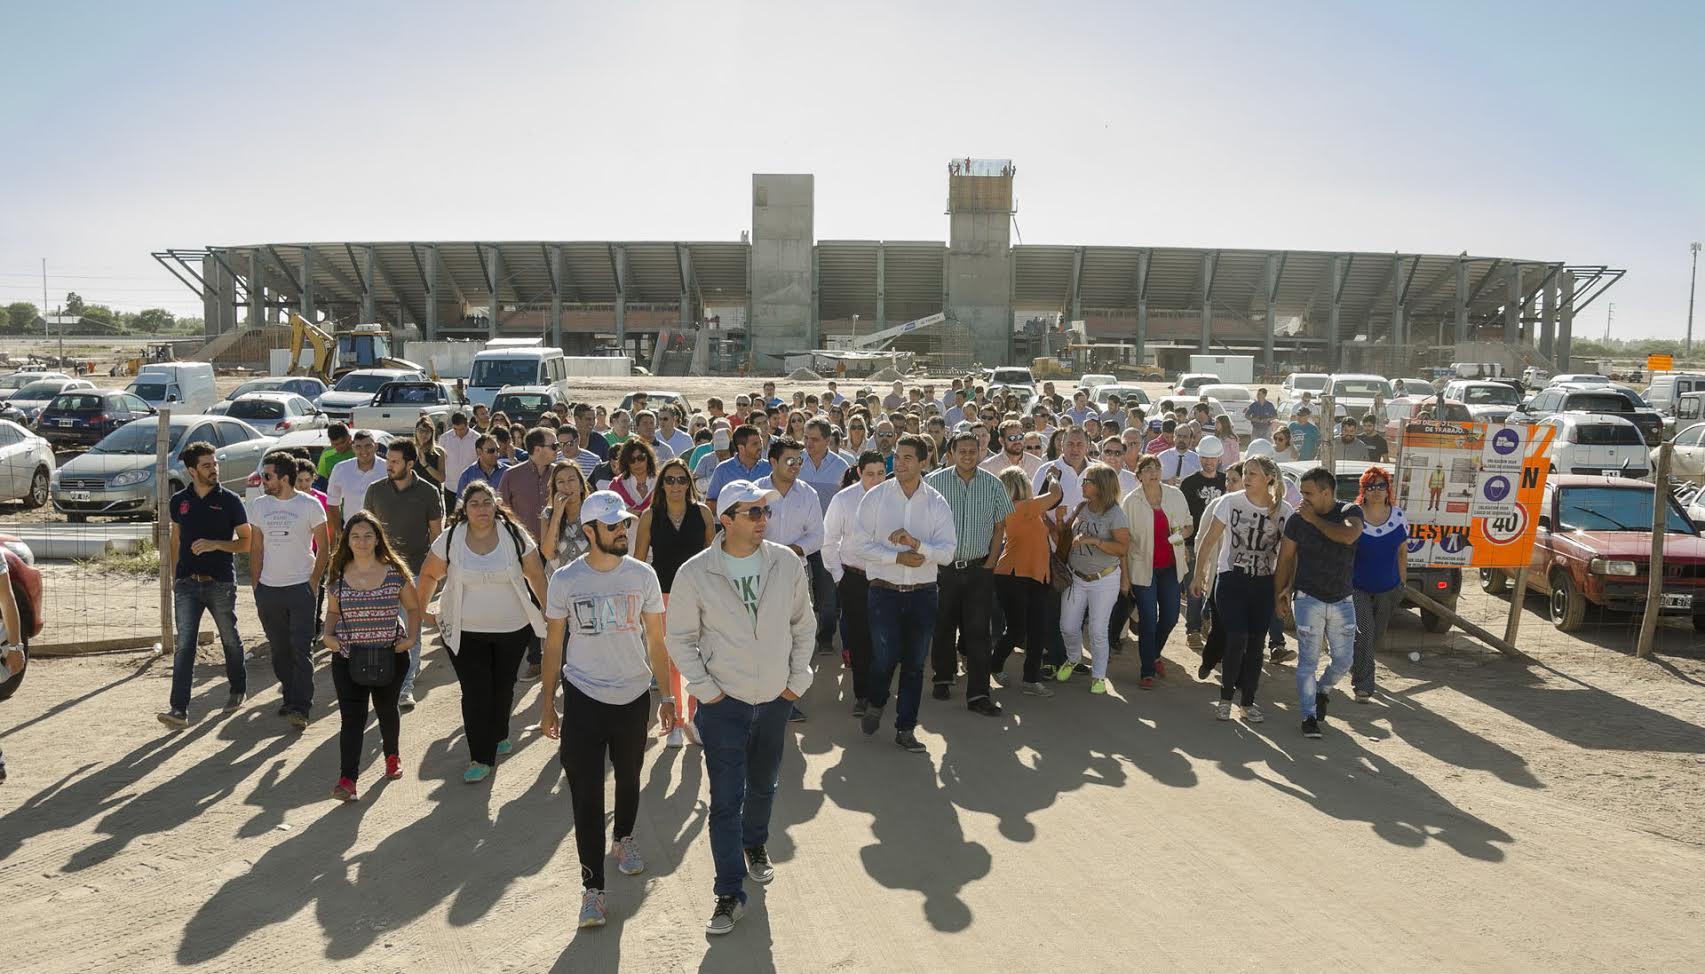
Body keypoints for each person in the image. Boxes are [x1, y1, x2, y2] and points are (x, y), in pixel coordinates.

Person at [664, 479, 814, 935]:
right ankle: (729, 893)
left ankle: (756, 845)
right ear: (726, 519)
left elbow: (803, 624)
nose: (762, 520)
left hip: (773, 702)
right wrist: (706, 690)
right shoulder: (694, 573)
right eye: (752, 513)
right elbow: (679, 639)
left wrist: (795, 682)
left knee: (764, 786)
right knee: (725, 802)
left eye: (764, 512)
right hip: (722, 706)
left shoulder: (786, 563)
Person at [539, 490, 676, 929]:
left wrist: (667, 695)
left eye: (625, 525)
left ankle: (624, 838)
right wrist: (547, 703)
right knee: (585, 793)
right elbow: (554, 644)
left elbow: (656, 640)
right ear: (590, 530)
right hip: (582, 694)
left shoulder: (643, 576)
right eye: (614, 525)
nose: (623, 531)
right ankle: (592, 889)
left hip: (633, 695)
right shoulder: (565, 580)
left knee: (631, 774)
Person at [415, 482, 549, 783]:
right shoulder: (451, 539)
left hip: (512, 629)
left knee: (502, 688)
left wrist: (546, 610)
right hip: (464, 631)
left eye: (487, 502)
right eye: (474, 503)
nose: (481, 509)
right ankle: (480, 756)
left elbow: (536, 574)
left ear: (495, 504)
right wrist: (422, 611)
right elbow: (428, 574)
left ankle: (500, 733)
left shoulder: (514, 535)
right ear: (464, 508)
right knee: (476, 692)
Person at [851, 434, 955, 752]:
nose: (900, 462)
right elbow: (858, 545)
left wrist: (916, 545)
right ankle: (877, 701)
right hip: (884, 593)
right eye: (897, 456)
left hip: (923, 594)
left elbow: (948, 552)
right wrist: (896, 556)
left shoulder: (936, 502)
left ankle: (905, 728)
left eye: (908, 457)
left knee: (914, 664)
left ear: (924, 463)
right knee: (884, 658)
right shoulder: (876, 497)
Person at [322, 512, 419, 801]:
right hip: (348, 656)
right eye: (355, 536)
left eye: (367, 535)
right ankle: (347, 779)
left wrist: (411, 640)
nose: (362, 541)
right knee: (352, 718)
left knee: (387, 708)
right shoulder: (338, 573)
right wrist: (329, 636)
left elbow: (414, 608)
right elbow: (333, 611)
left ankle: (392, 756)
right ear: (346, 541)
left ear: (378, 539)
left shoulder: (395, 572)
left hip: (390, 655)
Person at [158, 441, 252, 728]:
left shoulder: (231, 501)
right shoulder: (179, 501)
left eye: (215, 464)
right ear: (191, 470)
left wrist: (216, 545)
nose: (214, 469)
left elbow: (247, 542)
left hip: (220, 583)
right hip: (187, 584)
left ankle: (237, 689)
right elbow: (175, 540)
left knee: (229, 639)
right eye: (207, 465)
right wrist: (176, 578)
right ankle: (179, 709)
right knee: (185, 645)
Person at [1190, 455, 1290, 723]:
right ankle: (1225, 700)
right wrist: (1198, 575)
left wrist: (1285, 590)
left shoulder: (1284, 510)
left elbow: (1288, 555)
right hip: (1231, 580)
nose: (1246, 478)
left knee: (1257, 645)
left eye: (1253, 473)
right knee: (1236, 639)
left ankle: (1247, 702)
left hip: (1264, 583)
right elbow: (1209, 540)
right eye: (1245, 472)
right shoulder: (1229, 502)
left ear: (1269, 478)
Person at [922, 431, 1012, 714]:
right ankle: (943, 677)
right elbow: (922, 523)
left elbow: (1001, 526)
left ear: (981, 452)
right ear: (951, 453)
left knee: (978, 632)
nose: (968, 455)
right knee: (943, 626)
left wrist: (992, 562)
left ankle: (979, 695)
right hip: (943, 569)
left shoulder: (993, 484)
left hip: (979, 569)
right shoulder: (934, 483)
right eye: (962, 450)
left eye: (973, 450)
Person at [1276, 465, 1364, 740]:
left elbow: (1348, 535)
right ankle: (1308, 716)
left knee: (1343, 660)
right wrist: (1278, 594)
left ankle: (1323, 690)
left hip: (1342, 600)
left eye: (1308, 493)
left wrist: (1314, 520)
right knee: (1307, 663)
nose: (1303, 499)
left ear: (1326, 493)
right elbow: (1285, 559)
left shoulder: (1350, 511)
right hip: (1307, 599)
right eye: (1301, 492)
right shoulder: (1297, 519)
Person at [634, 457, 715, 747]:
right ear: (662, 484)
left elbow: (713, 560)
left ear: (689, 483)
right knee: (671, 660)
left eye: (682, 480)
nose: (676, 485)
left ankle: (692, 718)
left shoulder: (703, 514)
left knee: (697, 658)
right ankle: (677, 720)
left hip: (698, 596)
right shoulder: (649, 517)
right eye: (670, 480)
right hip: (663, 595)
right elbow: (639, 562)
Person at [249, 450, 330, 730]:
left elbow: (324, 548)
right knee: (280, 650)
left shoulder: (310, 505)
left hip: (300, 587)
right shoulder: (259, 506)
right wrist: (256, 584)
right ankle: (289, 694)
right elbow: (256, 547)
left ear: (284, 478)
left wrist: (313, 582)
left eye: (268, 476)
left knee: (301, 649)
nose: (263, 481)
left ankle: (300, 707)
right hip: (268, 589)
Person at [362, 439, 444, 711]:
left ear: (410, 464)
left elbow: (436, 534)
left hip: (417, 571)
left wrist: (438, 571)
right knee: (384, 629)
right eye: (388, 461)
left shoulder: (429, 492)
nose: (389, 466)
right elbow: (366, 533)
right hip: (381, 573)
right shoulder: (375, 491)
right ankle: (390, 677)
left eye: (395, 462)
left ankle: (405, 686)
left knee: (412, 629)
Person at [1056, 463, 1130, 694]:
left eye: (1087, 481)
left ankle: (1098, 675)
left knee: (1098, 631)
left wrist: (1095, 541)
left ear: (1101, 486)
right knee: (1067, 626)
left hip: (1103, 580)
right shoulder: (1081, 507)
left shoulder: (1115, 514)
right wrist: (1061, 524)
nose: (1083, 484)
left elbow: (1122, 549)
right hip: (1075, 577)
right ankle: (1073, 658)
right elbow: (1067, 536)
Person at [990, 466, 1062, 697]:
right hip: (1015, 575)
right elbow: (1055, 494)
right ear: (1021, 486)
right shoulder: (1021, 508)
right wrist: (1053, 477)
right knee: (1018, 629)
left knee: (1033, 630)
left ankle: (1030, 679)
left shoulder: (1025, 508)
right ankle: (995, 665)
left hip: (1032, 575)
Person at [1121, 454, 1191, 690]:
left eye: (1157, 468)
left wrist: (1181, 534)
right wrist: (1125, 575)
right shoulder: (1131, 502)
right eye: (1148, 469)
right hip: (1143, 569)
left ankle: (1154, 654)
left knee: (1171, 617)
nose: (1153, 472)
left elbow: (1189, 525)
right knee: (1149, 620)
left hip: (1171, 568)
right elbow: (1124, 541)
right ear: (1138, 475)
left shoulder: (1176, 495)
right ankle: (1147, 671)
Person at [823, 452, 885, 714]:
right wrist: (839, 578)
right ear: (859, 472)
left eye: (881, 473)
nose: (876, 479)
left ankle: (879, 691)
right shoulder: (843, 500)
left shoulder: (895, 498)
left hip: (887, 580)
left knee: (884, 639)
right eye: (870, 473)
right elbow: (829, 540)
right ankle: (862, 695)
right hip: (854, 579)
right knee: (859, 640)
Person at [1350, 466, 1405, 704]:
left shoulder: (1399, 516)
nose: (1375, 491)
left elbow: (1402, 553)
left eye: (1380, 486)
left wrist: (1402, 584)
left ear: (1387, 490)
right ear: (1363, 490)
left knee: (1376, 636)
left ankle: (1357, 664)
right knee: (1365, 632)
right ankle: (1363, 685)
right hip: (1357, 586)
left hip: (1389, 587)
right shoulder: (1354, 515)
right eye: (1370, 486)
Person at [1179, 435, 1228, 652]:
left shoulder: (1227, 481)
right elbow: (1182, 517)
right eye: (1205, 457)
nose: (1209, 462)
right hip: (1193, 544)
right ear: (1199, 457)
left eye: (1213, 458)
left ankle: (1211, 625)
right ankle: (1193, 630)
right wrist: (1183, 547)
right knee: (1194, 588)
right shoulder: (1189, 484)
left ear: (1219, 458)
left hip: (1222, 545)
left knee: (1217, 589)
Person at [326, 430, 386, 550]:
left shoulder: (387, 468)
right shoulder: (341, 469)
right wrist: (340, 532)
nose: (363, 451)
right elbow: (332, 503)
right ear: (353, 448)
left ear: (376, 447)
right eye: (358, 446)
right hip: (351, 534)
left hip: (382, 535)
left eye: (368, 446)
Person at [706, 425, 771, 513]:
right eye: (755, 444)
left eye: (760, 442)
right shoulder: (722, 470)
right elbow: (710, 504)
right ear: (741, 448)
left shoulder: (771, 468)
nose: (760, 447)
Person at [541, 460, 592, 571]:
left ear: (582, 485)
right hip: (558, 583)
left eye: (571, 480)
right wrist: (557, 515)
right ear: (555, 488)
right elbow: (548, 554)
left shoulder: (592, 512)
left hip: (587, 581)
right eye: (560, 482)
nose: (567, 486)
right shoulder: (548, 514)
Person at [610, 439, 659, 513]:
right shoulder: (616, 485)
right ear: (626, 462)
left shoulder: (661, 482)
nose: (637, 463)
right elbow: (610, 513)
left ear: (648, 458)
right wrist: (624, 513)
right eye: (631, 460)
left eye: (641, 458)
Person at [441, 411, 478, 483]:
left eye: (461, 429)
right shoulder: (444, 438)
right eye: (455, 429)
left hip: (471, 483)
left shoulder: (477, 438)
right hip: (450, 485)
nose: (458, 432)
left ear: (467, 424)